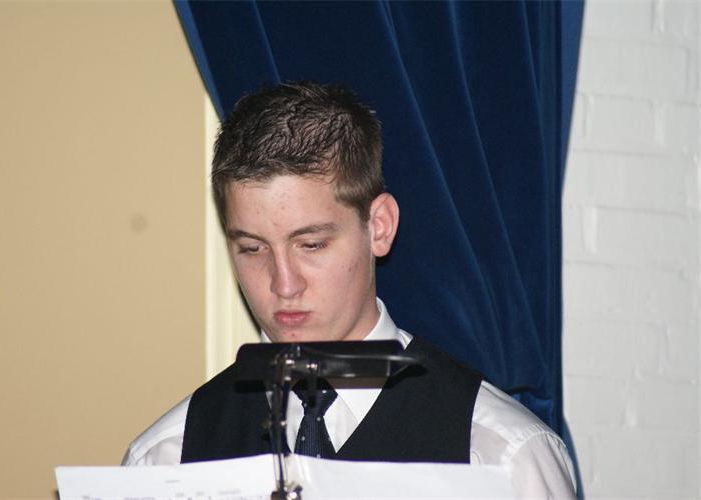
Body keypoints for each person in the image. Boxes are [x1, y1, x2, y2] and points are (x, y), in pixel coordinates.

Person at [122, 82, 576, 499]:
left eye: (311, 244)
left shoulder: (500, 458)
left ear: (379, 227)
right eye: (253, 248)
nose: (284, 284)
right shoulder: (165, 461)